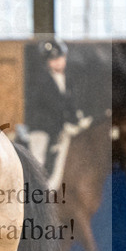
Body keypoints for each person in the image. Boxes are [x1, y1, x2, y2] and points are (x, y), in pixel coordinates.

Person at [26, 38, 90, 183]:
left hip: (62, 128)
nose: (58, 62)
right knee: (38, 155)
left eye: (60, 58)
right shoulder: (41, 81)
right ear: (47, 62)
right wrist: (61, 122)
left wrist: (77, 120)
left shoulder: (69, 79)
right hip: (42, 127)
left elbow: (70, 104)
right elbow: (44, 107)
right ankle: (37, 186)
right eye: (53, 60)